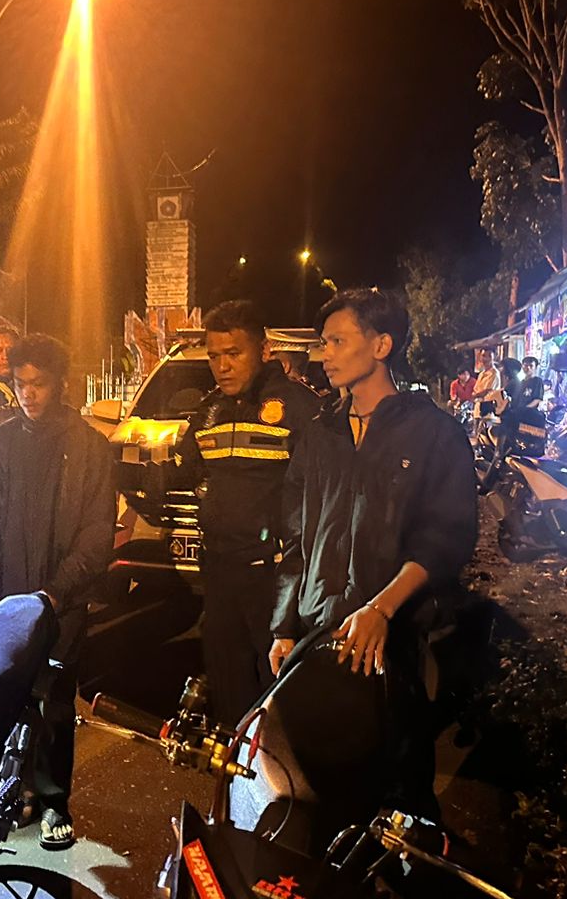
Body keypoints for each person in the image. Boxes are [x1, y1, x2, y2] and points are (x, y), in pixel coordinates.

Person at [271, 287, 478, 819]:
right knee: (318, 790)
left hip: (391, 646)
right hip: (319, 636)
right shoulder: (319, 434)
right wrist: (284, 626)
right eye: (323, 343)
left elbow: (446, 538)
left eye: (337, 341)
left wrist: (381, 609)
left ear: (382, 345)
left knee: (397, 798)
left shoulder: (434, 433)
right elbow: (295, 537)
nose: (325, 355)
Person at [0, 334, 113, 849]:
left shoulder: (90, 447)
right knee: (4, 698)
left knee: (53, 705)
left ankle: (52, 801)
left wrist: (55, 592)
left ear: (61, 384)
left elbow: (97, 532)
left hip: (61, 603)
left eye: (39, 384)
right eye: (20, 383)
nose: (27, 393)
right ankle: (8, 792)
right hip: (6, 602)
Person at [172, 300, 321, 727]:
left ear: (264, 349)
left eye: (234, 353)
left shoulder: (299, 409)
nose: (222, 366)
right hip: (220, 575)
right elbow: (184, 472)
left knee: (280, 701)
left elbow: (320, 500)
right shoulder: (210, 411)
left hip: (275, 579)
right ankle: (232, 765)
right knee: (229, 695)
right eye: (214, 356)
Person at [472, 348, 502, 417]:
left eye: (489, 356)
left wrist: (475, 395)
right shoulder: (481, 374)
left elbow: (487, 391)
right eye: (483, 356)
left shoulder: (494, 373)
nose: (486, 359)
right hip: (478, 408)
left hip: (488, 409)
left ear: (494, 358)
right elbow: (475, 389)